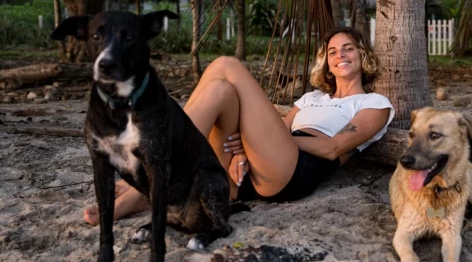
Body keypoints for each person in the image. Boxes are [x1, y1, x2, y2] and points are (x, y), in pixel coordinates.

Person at [84, 27, 394, 225]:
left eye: (348, 48)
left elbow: (333, 147)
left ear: (362, 54)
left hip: (296, 172)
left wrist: (252, 142)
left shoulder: (374, 104)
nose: (340, 54)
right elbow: (277, 134)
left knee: (225, 65)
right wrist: (244, 153)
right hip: (252, 175)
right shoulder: (311, 98)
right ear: (326, 62)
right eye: (332, 51)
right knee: (221, 90)